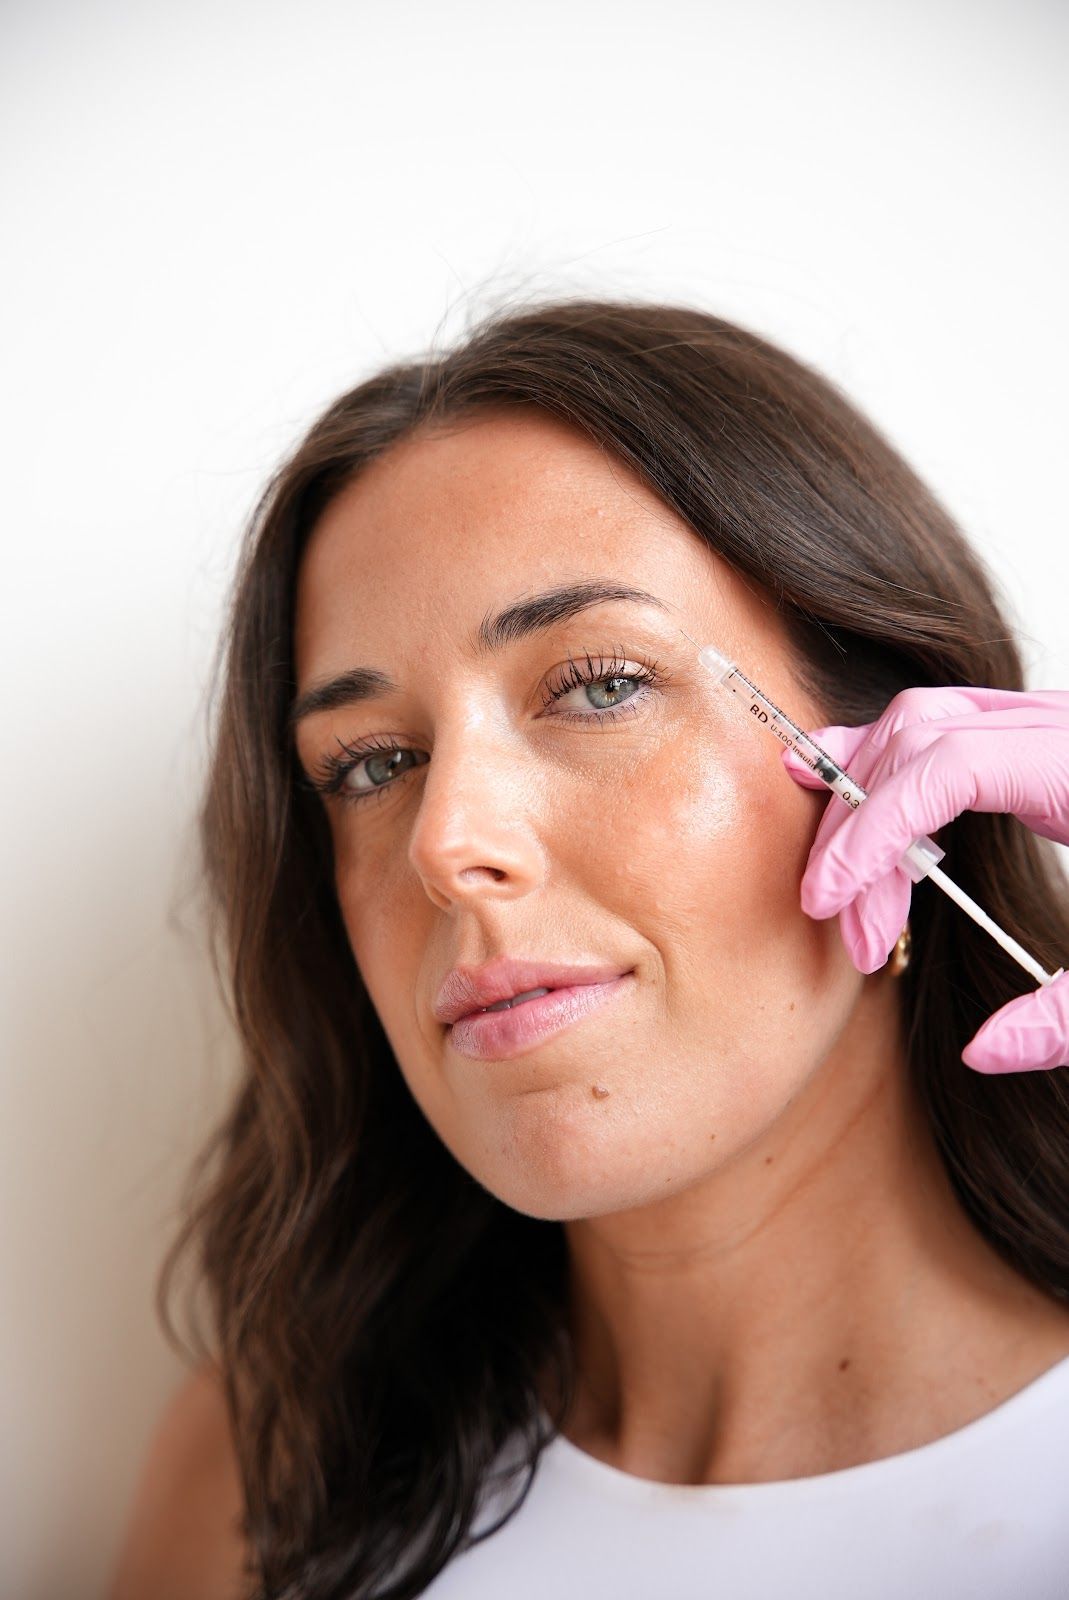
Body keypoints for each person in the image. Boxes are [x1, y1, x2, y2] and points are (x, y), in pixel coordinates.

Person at [109, 300, 1069, 1600]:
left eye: (599, 684)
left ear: (899, 765)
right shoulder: (262, 1484)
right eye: (372, 764)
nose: (444, 843)